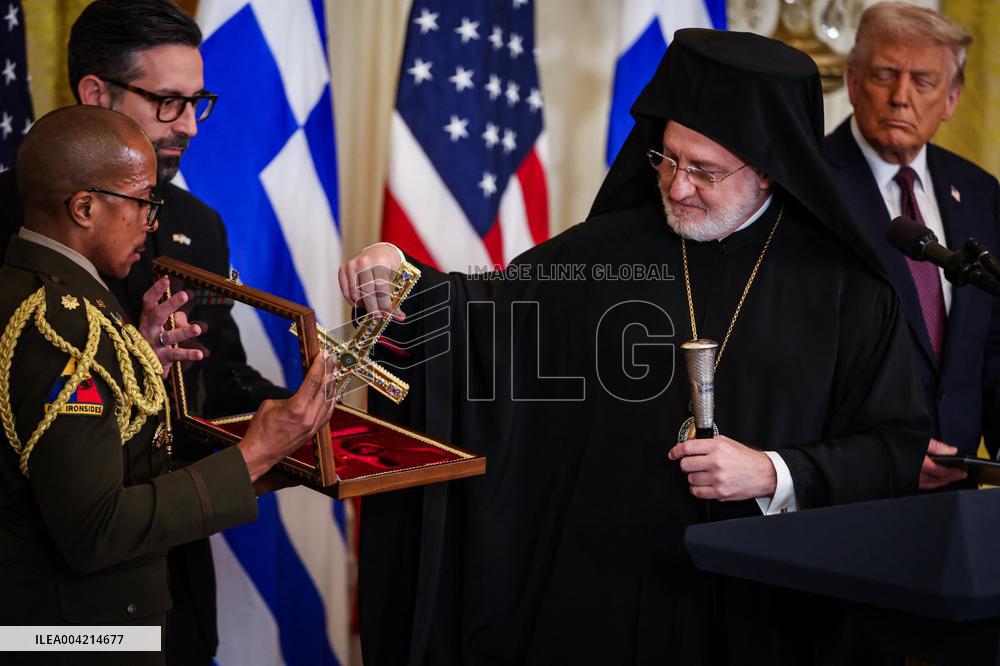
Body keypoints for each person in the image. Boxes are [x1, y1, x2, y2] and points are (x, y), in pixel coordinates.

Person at [341, 29, 928, 666]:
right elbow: (485, 324)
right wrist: (399, 279)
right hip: (598, 601)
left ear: (767, 169)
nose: (677, 188)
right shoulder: (605, 252)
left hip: (762, 617)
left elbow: (892, 446)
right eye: (667, 159)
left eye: (704, 171)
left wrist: (775, 472)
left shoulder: (850, 295)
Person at [0, 2, 291, 662]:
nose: (188, 125)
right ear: (97, 93)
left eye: (197, 102)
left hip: (170, 572)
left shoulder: (199, 225)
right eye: (167, 101)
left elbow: (219, 379)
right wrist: (121, 363)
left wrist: (306, 423)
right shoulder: (14, 223)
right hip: (52, 597)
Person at [824, 1, 1000, 490]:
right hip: (851, 490)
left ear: (951, 99)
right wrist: (882, 454)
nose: (901, 97)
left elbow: (990, 343)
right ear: (854, 82)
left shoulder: (980, 191)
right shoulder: (810, 187)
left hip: (958, 489)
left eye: (923, 81)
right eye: (885, 75)